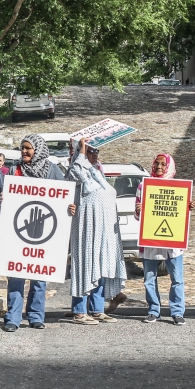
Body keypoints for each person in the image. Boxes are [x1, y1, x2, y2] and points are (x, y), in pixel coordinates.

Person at [2, 135, 68, 332]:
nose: (24, 152)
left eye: (28, 148)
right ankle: (12, 318)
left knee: (39, 276)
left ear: (38, 150)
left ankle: (36, 316)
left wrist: (69, 207)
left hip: (43, 232)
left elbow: (65, 195)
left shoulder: (52, 170)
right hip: (19, 231)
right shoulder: (15, 169)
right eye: (22, 148)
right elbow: (6, 193)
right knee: (16, 276)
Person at [66, 138, 126, 325]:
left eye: (95, 151)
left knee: (99, 265)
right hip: (85, 227)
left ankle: (97, 309)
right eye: (89, 151)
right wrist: (81, 151)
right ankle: (79, 310)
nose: (93, 154)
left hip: (104, 229)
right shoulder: (76, 170)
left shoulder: (98, 172)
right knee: (84, 264)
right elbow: (76, 173)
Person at [135, 153, 193, 325]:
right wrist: (139, 209)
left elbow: (180, 215)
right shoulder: (143, 187)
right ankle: (154, 310)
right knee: (149, 279)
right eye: (157, 164)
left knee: (177, 279)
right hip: (150, 241)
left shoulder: (177, 188)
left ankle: (177, 311)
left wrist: (188, 206)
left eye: (163, 165)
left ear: (170, 167)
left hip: (172, 243)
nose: (159, 167)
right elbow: (137, 216)